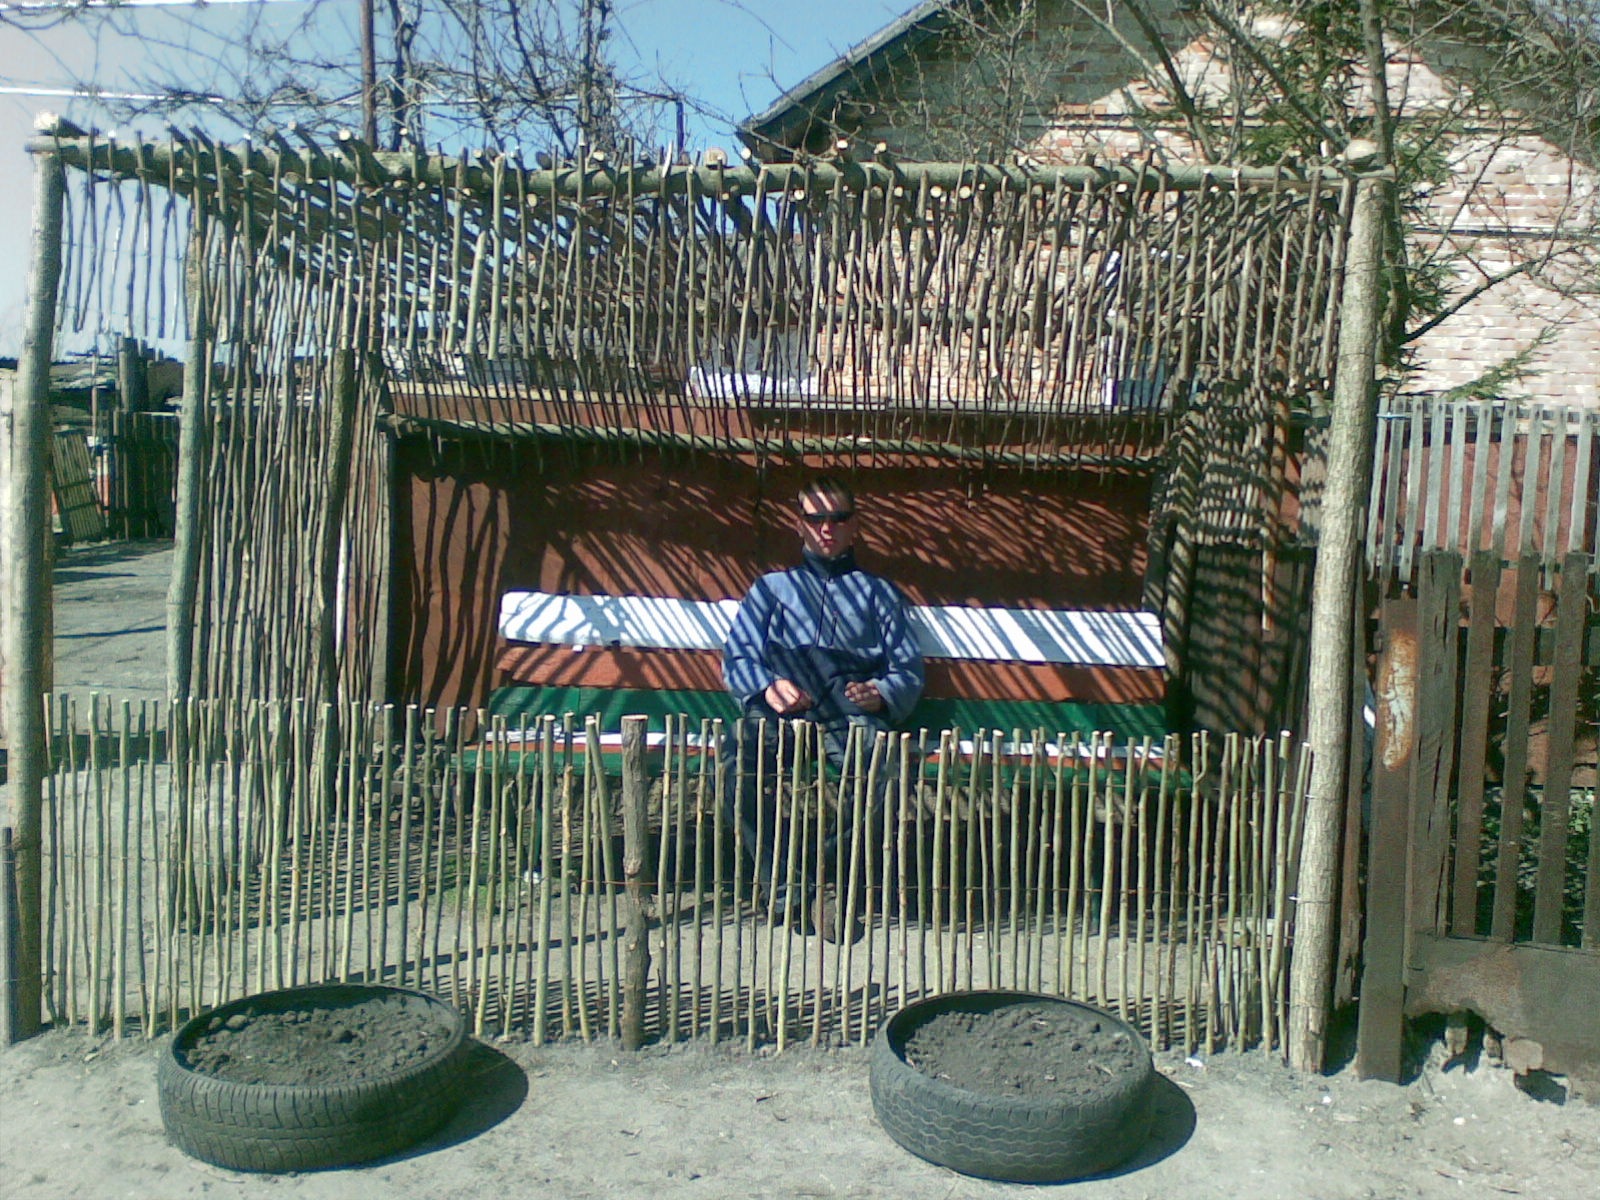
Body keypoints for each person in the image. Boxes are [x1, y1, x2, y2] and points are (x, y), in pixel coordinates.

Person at [721, 475, 924, 940]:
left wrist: (882, 693)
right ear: (799, 525)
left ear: (856, 525)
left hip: (848, 717)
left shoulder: (877, 594)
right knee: (733, 764)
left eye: (838, 518)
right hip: (781, 717)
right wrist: (767, 687)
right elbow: (738, 658)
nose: (826, 528)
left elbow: (908, 670)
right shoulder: (770, 590)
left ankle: (820, 878)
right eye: (815, 519)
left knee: (889, 770)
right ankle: (789, 887)